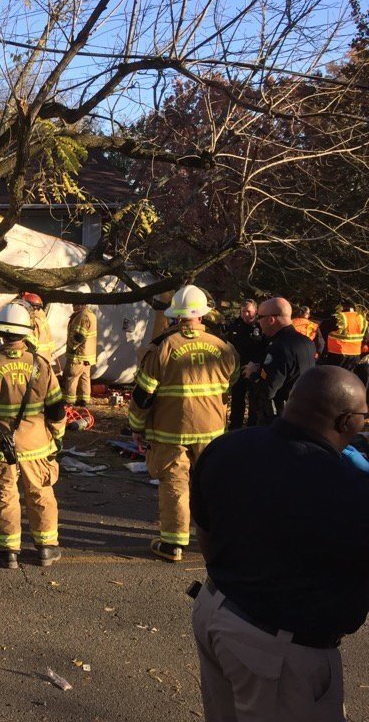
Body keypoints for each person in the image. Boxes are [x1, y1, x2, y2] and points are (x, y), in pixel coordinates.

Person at [191, 366, 369, 722]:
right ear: (346, 421)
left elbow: (205, 532)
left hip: (215, 611)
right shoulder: (352, 488)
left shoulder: (227, 447)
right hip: (277, 652)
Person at [128, 284, 238, 563]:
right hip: (211, 431)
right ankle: (217, 537)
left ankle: (173, 543)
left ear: (175, 317)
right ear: (202, 315)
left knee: (174, 483)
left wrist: (136, 426)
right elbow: (232, 382)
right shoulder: (223, 348)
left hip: (170, 431)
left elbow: (143, 395)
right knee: (210, 483)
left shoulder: (162, 348)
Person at [0, 302, 66, 568]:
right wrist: (57, 437)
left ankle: (8, 552)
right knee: (40, 493)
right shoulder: (41, 365)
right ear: (25, 333)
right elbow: (56, 409)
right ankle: (46, 548)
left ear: (1, 333)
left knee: (4, 496)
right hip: (37, 445)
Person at [242, 297, 315, 424]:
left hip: (281, 419)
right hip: (304, 412)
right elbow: (290, 371)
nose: (258, 322)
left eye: (260, 318)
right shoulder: (307, 342)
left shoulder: (278, 347)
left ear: (271, 319)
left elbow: (268, 390)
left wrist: (252, 374)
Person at [221, 299, 264, 429]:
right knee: (237, 399)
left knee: (254, 400)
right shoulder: (235, 325)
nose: (246, 314)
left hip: (255, 369)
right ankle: (235, 428)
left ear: (255, 311)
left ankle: (252, 427)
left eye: (249, 311)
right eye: (243, 311)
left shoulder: (261, 326)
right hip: (238, 368)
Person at [62, 303, 96, 406]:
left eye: (74, 304)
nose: (72, 306)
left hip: (78, 355)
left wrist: (72, 347)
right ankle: (83, 400)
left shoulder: (82, 316)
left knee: (71, 377)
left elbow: (79, 337)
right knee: (84, 378)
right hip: (87, 356)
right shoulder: (90, 314)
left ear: (81, 304)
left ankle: (69, 401)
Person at [319, 301, 368, 370]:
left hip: (338, 353)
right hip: (355, 355)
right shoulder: (362, 318)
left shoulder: (340, 318)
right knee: (349, 377)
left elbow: (323, 327)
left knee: (335, 376)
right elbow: (365, 337)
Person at [19, 292, 56, 366]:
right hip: (46, 356)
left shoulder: (32, 320)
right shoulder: (41, 315)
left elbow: (31, 343)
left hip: (37, 359)